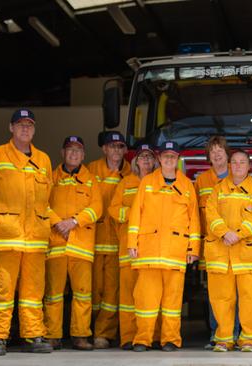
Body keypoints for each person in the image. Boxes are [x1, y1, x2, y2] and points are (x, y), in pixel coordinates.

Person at [0, 108, 54, 356]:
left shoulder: (44, 160)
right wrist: (0, 218)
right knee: (2, 289)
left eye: (29, 124)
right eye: (20, 124)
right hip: (7, 237)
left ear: (34, 129)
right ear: (11, 128)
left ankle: (33, 335)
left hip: (36, 239)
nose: (25, 128)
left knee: (33, 291)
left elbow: (46, 197)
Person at [127, 140, 201, 352]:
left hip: (175, 253)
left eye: (173, 156)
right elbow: (135, 215)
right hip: (148, 252)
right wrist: (132, 242)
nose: (169, 159)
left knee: (172, 302)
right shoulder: (147, 182)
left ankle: (170, 340)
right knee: (145, 301)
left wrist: (193, 249)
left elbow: (194, 220)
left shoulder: (187, 186)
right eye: (165, 156)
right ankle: (142, 339)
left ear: (178, 159)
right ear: (159, 159)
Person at [204, 149, 252, 352]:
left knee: (250, 299)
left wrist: (237, 234)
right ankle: (223, 339)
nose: (238, 165)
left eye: (243, 162)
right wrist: (224, 233)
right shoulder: (218, 190)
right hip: (222, 255)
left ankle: (249, 339)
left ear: (249, 166)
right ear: (229, 166)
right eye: (235, 162)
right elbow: (211, 214)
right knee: (221, 299)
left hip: (247, 255)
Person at [44, 136, 102, 351]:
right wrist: (58, 223)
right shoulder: (51, 178)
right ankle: (52, 335)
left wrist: (74, 222)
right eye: (70, 150)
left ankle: (80, 336)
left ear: (84, 155)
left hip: (81, 246)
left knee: (83, 293)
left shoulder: (91, 180)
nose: (74, 153)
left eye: (78, 150)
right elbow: (42, 203)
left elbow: (97, 207)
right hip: (57, 244)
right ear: (62, 153)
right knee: (53, 294)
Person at [107, 143, 158, 350]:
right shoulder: (126, 182)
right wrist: (133, 215)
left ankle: (152, 336)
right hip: (128, 248)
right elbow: (113, 209)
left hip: (153, 250)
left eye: (149, 157)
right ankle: (128, 337)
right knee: (128, 296)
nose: (145, 161)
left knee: (151, 296)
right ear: (135, 161)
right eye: (142, 157)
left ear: (155, 161)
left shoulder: (159, 181)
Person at [193, 136, 241, 350]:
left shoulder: (238, 177)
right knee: (217, 293)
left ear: (227, 153)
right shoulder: (201, 181)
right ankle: (217, 334)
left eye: (220, 149)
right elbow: (194, 214)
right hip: (213, 245)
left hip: (235, 243)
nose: (217, 153)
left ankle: (236, 334)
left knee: (237, 293)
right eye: (212, 151)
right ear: (208, 157)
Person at [88, 131, 131, 348]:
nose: (116, 150)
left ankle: (104, 333)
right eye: (112, 146)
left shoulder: (131, 173)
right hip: (92, 240)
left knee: (112, 292)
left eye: (120, 147)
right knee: (93, 290)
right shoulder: (91, 170)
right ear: (104, 149)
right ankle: (87, 329)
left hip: (117, 242)